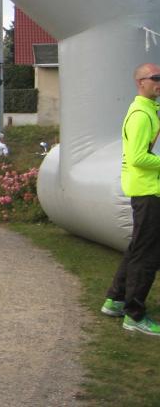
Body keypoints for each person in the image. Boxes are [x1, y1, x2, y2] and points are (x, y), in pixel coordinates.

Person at [101, 63, 160, 336]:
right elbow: (137, 157)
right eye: (155, 78)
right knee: (147, 256)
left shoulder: (149, 109)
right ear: (141, 83)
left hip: (147, 189)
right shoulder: (140, 114)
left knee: (138, 248)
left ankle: (115, 300)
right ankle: (134, 315)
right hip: (147, 191)